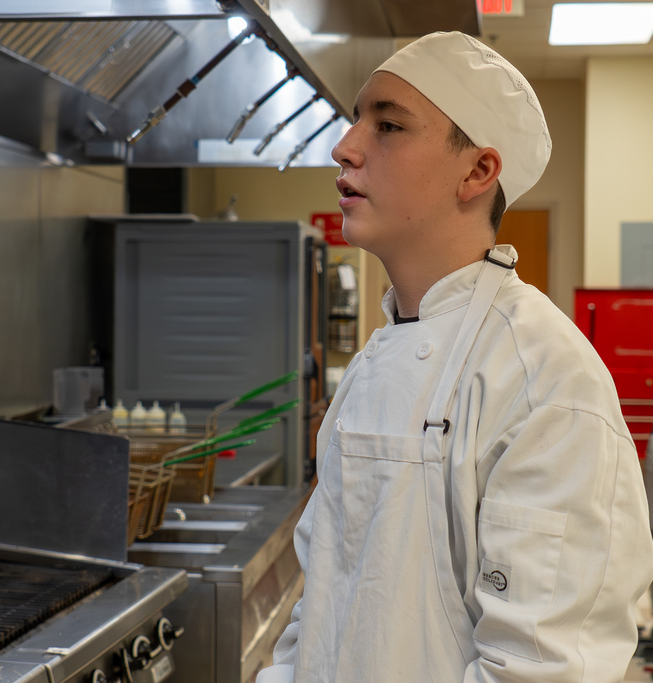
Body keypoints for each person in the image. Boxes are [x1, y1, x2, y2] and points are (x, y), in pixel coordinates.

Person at [256, 31, 653, 682]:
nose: (345, 145)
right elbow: (320, 609)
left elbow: (540, 670)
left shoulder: (543, 380)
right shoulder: (370, 368)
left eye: (387, 125)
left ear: (477, 172)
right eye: (356, 119)